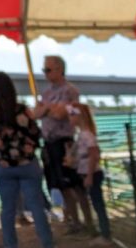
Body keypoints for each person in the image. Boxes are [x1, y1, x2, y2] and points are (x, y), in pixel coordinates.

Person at [0, 72, 56, 248]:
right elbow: (35, 133)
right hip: (27, 164)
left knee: (7, 209)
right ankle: (48, 247)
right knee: (36, 206)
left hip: (2, 166)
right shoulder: (22, 109)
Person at [33, 54, 92, 233]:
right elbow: (36, 113)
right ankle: (74, 221)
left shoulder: (70, 90)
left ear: (59, 69)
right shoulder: (46, 92)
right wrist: (50, 109)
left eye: (48, 69)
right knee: (62, 185)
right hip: (50, 142)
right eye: (44, 70)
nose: (45, 73)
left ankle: (88, 222)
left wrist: (46, 109)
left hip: (64, 142)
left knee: (75, 184)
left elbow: (64, 114)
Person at [68, 103, 111, 244]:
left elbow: (94, 155)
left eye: (71, 114)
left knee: (98, 204)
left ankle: (105, 235)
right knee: (96, 203)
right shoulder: (84, 134)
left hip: (91, 174)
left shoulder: (86, 135)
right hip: (87, 173)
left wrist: (90, 176)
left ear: (78, 116)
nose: (69, 118)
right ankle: (103, 233)